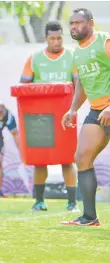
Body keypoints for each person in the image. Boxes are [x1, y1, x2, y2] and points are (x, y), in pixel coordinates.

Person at [20, 21, 80, 212]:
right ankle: (39, 201)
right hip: (41, 118)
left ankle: (72, 203)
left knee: (67, 159)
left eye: (59, 38)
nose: (56, 41)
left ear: (64, 37)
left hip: (65, 116)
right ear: (45, 38)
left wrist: (74, 109)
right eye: (52, 38)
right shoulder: (35, 58)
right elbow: (23, 87)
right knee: (40, 160)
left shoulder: (72, 56)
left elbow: (78, 86)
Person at [61, 8, 110, 226]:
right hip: (97, 111)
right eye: (71, 23)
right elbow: (81, 83)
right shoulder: (77, 53)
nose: (73, 27)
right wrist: (73, 109)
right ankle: (89, 217)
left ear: (90, 23)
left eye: (78, 23)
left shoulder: (104, 42)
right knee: (82, 157)